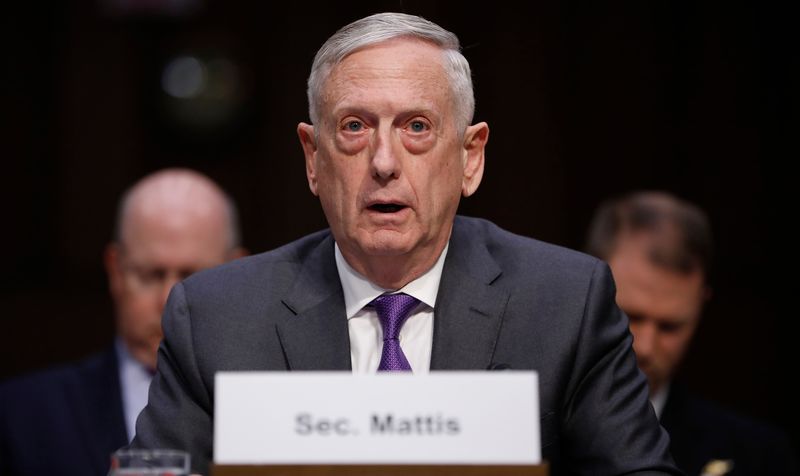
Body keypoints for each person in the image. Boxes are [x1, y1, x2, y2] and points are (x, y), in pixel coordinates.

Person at [131, 13, 680, 475]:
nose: (385, 163)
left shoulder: (564, 304)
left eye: (416, 126)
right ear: (313, 158)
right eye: (354, 127)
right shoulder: (216, 318)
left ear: (470, 157)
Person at [0, 169, 246, 476]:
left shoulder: (270, 411)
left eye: (191, 278)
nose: (170, 301)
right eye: (149, 275)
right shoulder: (23, 414)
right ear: (115, 270)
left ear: (238, 274)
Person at [586, 191, 798, 476]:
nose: (646, 346)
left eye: (671, 327)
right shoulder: (526, 434)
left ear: (701, 305)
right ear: (586, 293)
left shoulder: (756, 456)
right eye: (630, 316)